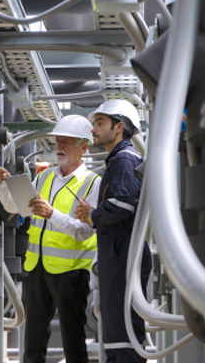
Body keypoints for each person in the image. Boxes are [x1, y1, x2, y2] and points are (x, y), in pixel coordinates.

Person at [0, 115, 100, 363]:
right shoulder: (44, 176)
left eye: (67, 142)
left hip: (71, 272)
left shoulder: (93, 183)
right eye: (58, 141)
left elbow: (85, 231)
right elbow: (18, 207)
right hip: (37, 266)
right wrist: (5, 185)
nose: (59, 146)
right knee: (33, 341)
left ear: (83, 147)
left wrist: (52, 214)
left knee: (73, 342)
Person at [75, 99, 151, 363]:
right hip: (119, 252)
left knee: (123, 333)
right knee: (119, 331)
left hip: (123, 253)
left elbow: (123, 204)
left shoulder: (123, 160)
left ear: (119, 127)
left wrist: (93, 214)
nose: (93, 129)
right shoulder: (120, 160)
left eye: (99, 123)